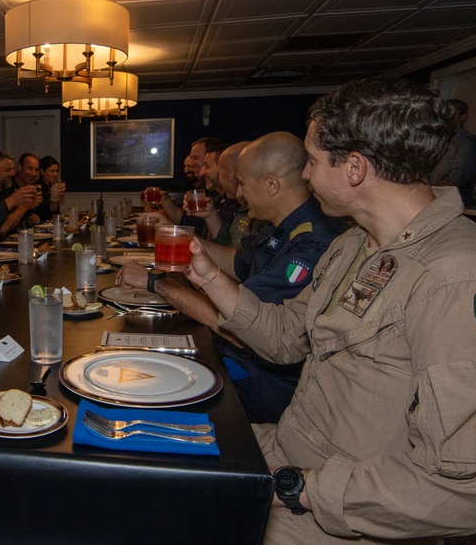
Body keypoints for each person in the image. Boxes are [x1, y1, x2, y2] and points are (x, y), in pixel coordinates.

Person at [186, 79, 476, 545]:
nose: (306, 175)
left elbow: (463, 489)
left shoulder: (464, 279)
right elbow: (288, 339)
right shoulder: (355, 246)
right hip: (294, 455)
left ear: (354, 168)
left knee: (175, 536)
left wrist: (298, 487)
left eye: (312, 161)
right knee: (152, 464)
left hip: (354, 531)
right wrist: (211, 279)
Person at [118, 132, 346, 423]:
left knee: (140, 388)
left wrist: (155, 282)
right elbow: (236, 262)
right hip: (241, 362)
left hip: (260, 384)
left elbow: (239, 330)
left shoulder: (311, 242)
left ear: (272, 185)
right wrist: (182, 241)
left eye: (243, 185)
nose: (238, 194)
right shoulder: (283, 226)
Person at [431, 98, 476, 206]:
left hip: (455, 207)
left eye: (450, 112)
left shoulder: (468, 143)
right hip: (435, 204)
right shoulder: (439, 141)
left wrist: (425, 186)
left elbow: (455, 183)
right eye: (444, 112)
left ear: (463, 116)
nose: (446, 117)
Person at [32, 155, 65, 222]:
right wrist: (54, 197)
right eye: (52, 171)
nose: (55, 174)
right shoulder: (38, 188)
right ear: (42, 171)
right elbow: (47, 213)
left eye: (57, 171)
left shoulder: (52, 186)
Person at [15, 152, 43, 225]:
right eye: (29, 168)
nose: (33, 173)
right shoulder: (9, 187)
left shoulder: (31, 188)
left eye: (36, 170)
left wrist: (29, 220)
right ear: (19, 167)